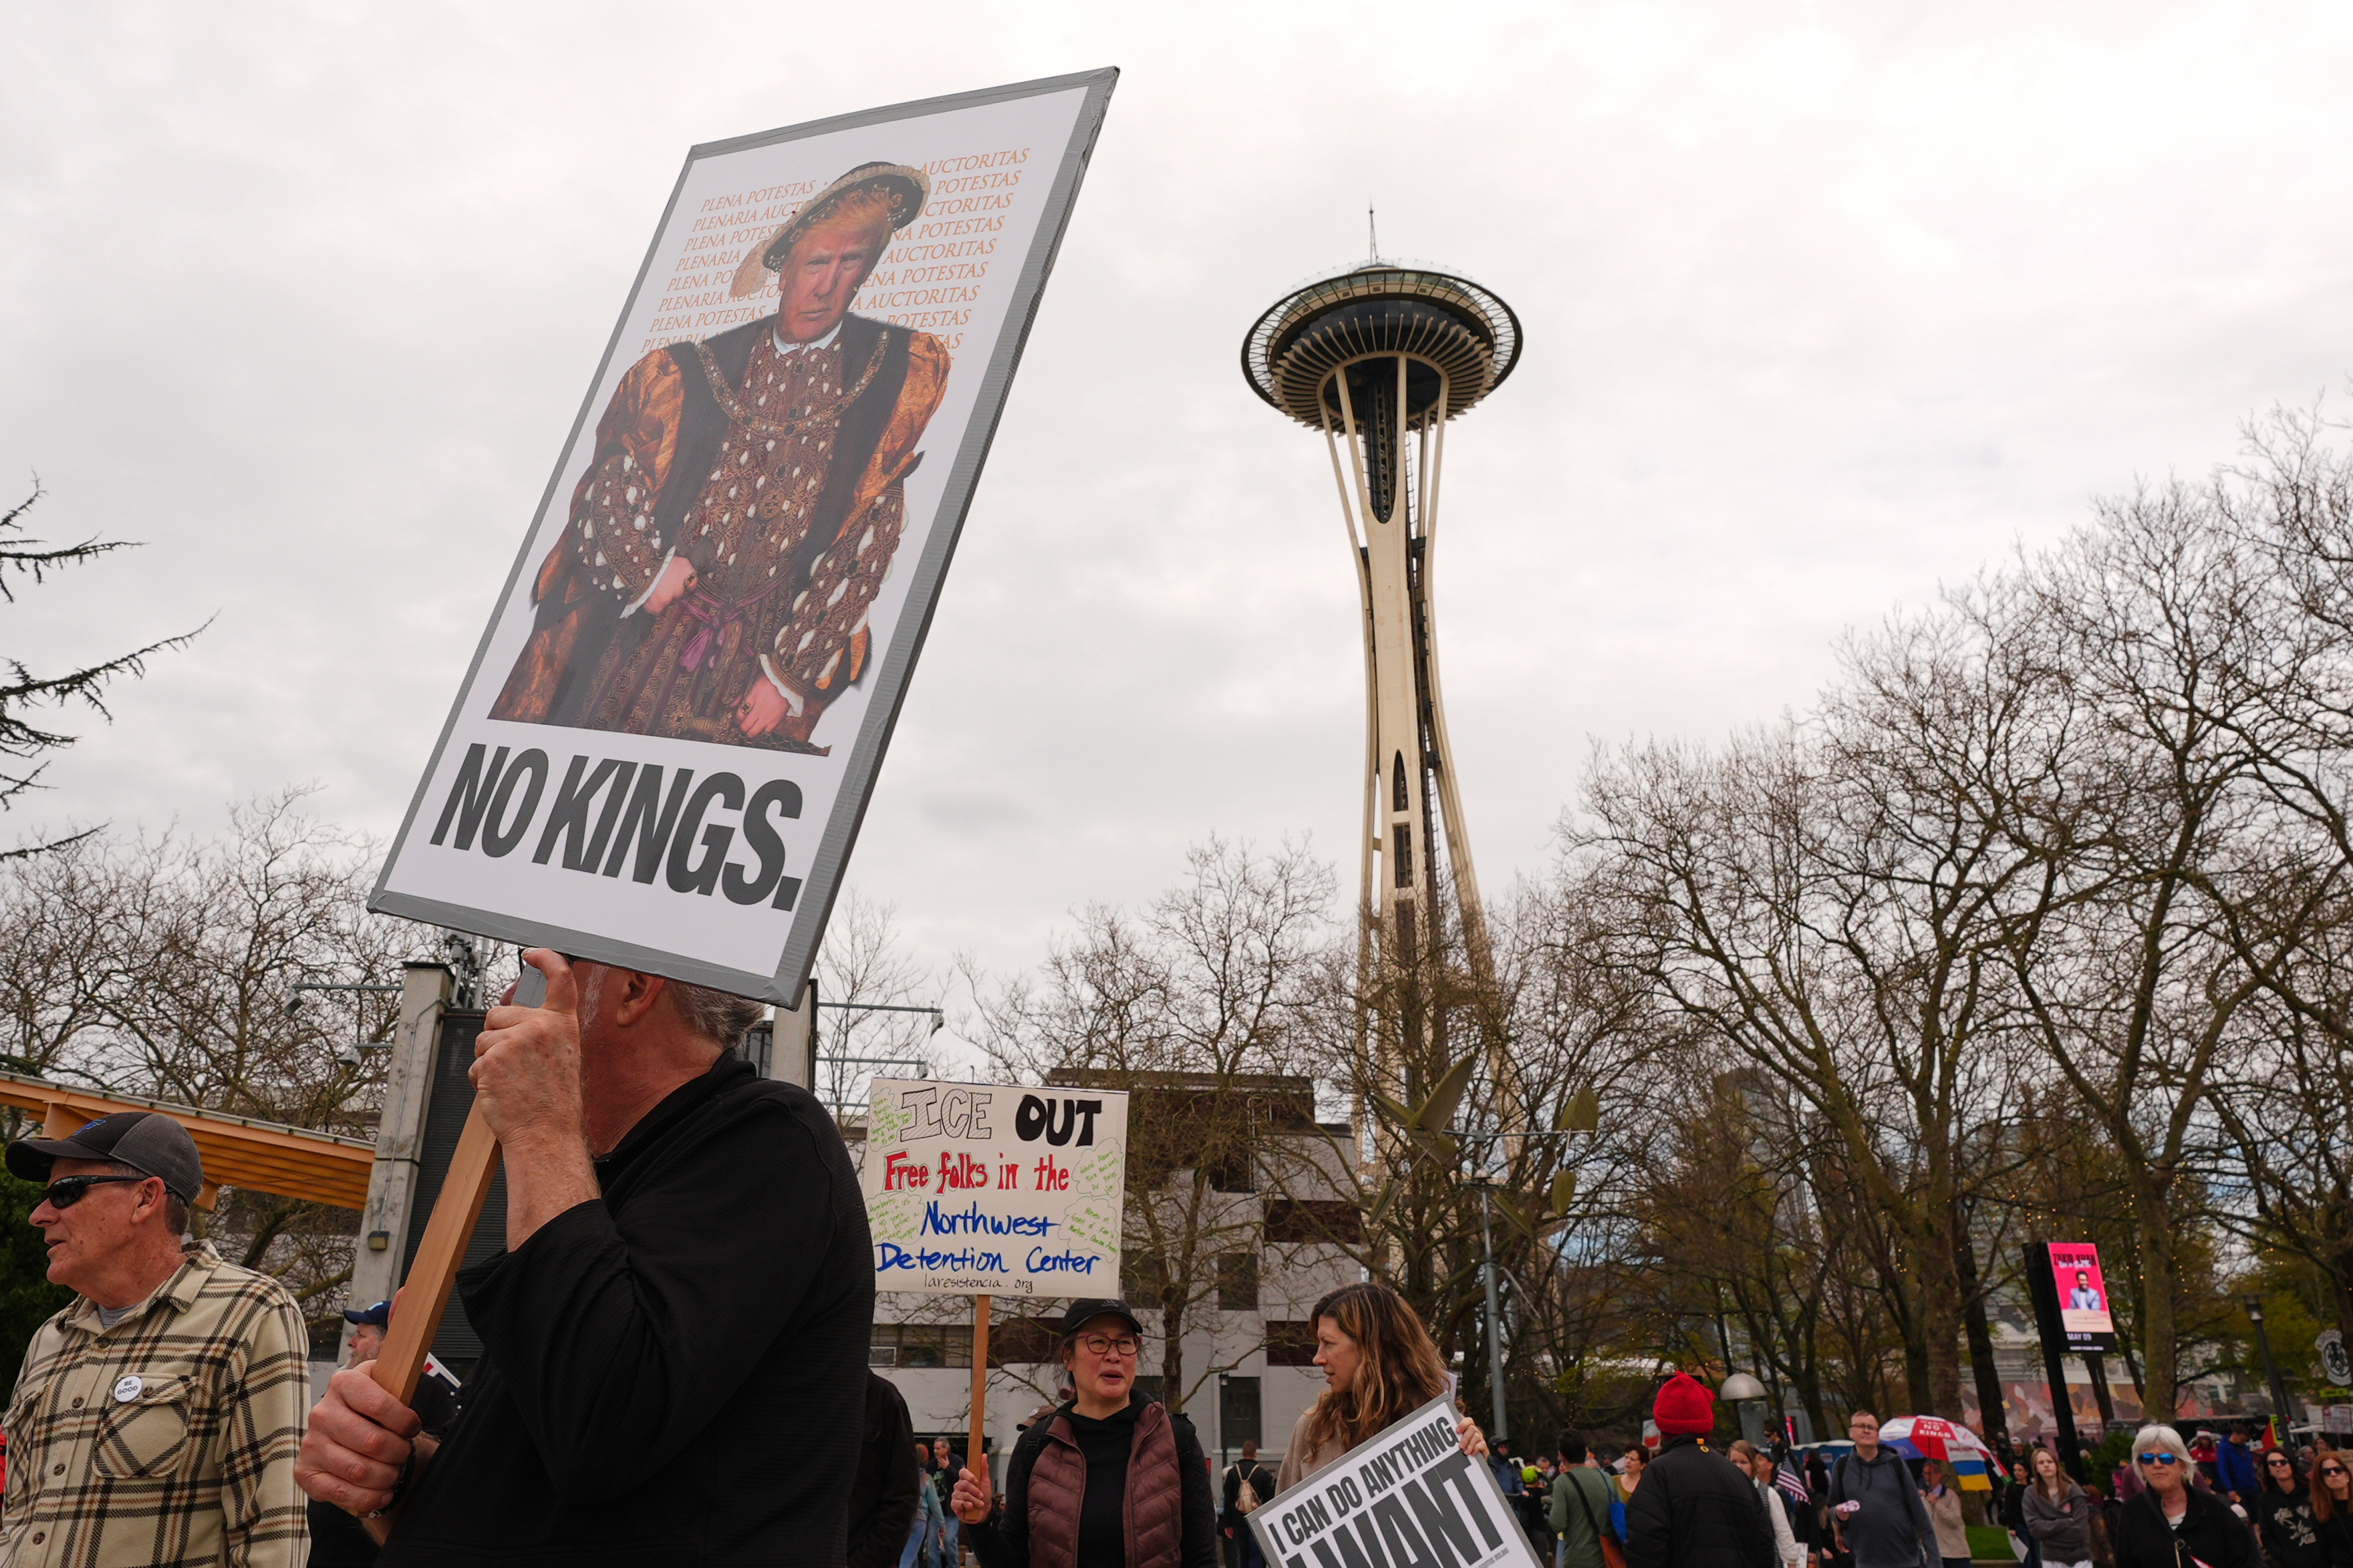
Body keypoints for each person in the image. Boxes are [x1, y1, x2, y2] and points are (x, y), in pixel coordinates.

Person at [295, 951, 873, 1565]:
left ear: (634, 989)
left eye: (542, 969)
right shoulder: (598, 1189)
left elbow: (603, 1423)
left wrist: (541, 1126)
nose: (510, 996)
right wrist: (390, 1470)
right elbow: (535, 1493)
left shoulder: (769, 1142)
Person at [492, 161, 953, 751]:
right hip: (649, 635)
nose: (827, 285)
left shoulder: (897, 369)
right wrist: (646, 570)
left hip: (766, 655)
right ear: (784, 266)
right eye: (816, 263)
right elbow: (614, 474)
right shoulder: (687, 367)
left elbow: (873, 525)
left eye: (850, 263)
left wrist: (787, 673)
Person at [1, 1110, 309, 1567]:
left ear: (146, 1198)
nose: (39, 1215)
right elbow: (18, 1517)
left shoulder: (250, 1312)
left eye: (64, 1193)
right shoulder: (50, 1337)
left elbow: (273, 1531)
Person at [951, 1299, 1218, 1568]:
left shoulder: (1176, 1440)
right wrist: (982, 1523)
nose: (1114, 1355)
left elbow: (1202, 1558)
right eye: (1099, 1342)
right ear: (1068, 1357)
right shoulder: (1035, 1445)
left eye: (1125, 1343)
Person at [1268, 1281, 1488, 1491]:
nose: (1318, 1358)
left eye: (1328, 1344)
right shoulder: (1312, 1429)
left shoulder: (1443, 1428)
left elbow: (1475, 1519)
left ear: (1371, 1348)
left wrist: (1478, 1463)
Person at [306, 1299, 464, 1568]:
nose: (351, 1342)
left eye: (361, 1335)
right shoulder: (344, 1390)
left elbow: (442, 1479)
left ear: (387, 1343)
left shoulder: (427, 1392)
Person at [1624, 1375, 1770, 1568]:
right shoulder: (1737, 1475)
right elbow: (1764, 1542)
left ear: (1663, 1427)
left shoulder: (1660, 1472)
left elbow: (1645, 1548)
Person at [2114, 1425, 2260, 1568]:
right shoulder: (2133, 1511)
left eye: (2166, 1458)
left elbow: (2248, 1560)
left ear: (2183, 1465)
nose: (2157, 1464)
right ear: (2140, 1467)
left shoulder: (2213, 1508)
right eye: (2147, 1458)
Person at [1828, 1412, 1937, 1568]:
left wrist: (1935, 1562)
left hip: (1905, 1560)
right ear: (1851, 1432)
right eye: (1861, 1426)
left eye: (1872, 1427)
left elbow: (1920, 1515)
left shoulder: (1895, 1464)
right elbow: (1833, 1509)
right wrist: (1838, 1520)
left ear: (1878, 1435)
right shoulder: (1842, 1467)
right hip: (1866, 1560)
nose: (1867, 1430)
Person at [850, 1374, 919, 1568]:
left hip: (861, 1554)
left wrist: (864, 1562)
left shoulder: (883, 1399)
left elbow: (903, 1496)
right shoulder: (797, 1393)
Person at [1732, 1440, 1804, 1568]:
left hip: (1768, 1562)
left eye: (1744, 1462)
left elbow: (1783, 1532)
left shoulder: (1769, 1494)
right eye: (1734, 1462)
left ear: (1753, 1465)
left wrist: (1792, 1562)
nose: (1739, 1467)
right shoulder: (1725, 1495)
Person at [1553, 1429, 1619, 1568]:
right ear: (1586, 1451)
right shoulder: (1606, 1478)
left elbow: (1557, 1524)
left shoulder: (1563, 1482)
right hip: (1608, 1557)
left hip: (1578, 1559)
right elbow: (1619, 1513)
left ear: (1562, 1456)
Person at [2023, 1446, 2096, 1568]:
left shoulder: (2074, 1491)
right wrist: (2064, 1523)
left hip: (2080, 1558)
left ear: (2056, 1465)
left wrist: (2048, 1536)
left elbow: (2080, 1532)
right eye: (2041, 1463)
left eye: (2050, 1462)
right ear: (2036, 1468)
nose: (2046, 1465)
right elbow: (2035, 1529)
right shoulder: (2030, 1494)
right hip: (2051, 1558)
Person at [2257, 1447, 2328, 1568]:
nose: (2279, 1466)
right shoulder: (2266, 1499)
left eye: (2283, 1462)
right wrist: (2279, 1555)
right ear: (2268, 1469)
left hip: (2322, 1558)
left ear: (2291, 1464)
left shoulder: (2311, 1490)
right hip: (2292, 1561)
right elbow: (2266, 1532)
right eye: (2273, 1463)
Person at [1220, 1441, 1276, 1568]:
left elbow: (1228, 1500)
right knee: (1257, 1555)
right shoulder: (1263, 1474)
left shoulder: (1233, 1473)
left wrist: (1228, 1524)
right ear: (1255, 1454)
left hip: (1238, 1519)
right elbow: (1269, 1499)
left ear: (1242, 1453)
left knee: (1243, 1555)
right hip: (1257, 1520)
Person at [907, 1444, 951, 1568]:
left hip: (904, 1519)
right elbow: (935, 1504)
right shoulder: (926, 1479)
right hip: (919, 1520)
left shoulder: (903, 1476)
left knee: (912, 1554)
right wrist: (942, 1524)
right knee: (908, 1559)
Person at [2309, 1451, 2353, 1568]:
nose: (2333, 1474)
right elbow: (2323, 1551)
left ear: (2347, 1475)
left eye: (2337, 1470)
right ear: (2322, 1480)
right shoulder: (2322, 1512)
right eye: (2326, 1472)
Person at [2006, 1459, 2045, 1568]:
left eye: (2020, 1470)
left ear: (2026, 1472)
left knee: (2036, 1555)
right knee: (2026, 1556)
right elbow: (2009, 1508)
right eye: (2015, 1470)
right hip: (2020, 1525)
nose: (2017, 1472)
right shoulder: (2012, 1488)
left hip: (2033, 1524)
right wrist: (2012, 1527)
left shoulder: (2033, 1488)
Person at [932, 1438, 964, 1566]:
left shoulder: (957, 1462)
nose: (935, 1451)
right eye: (934, 1448)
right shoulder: (932, 1465)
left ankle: (953, 1566)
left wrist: (948, 1468)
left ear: (946, 1449)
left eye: (938, 1448)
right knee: (932, 1545)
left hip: (951, 1511)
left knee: (949, 1540)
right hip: (935, 1511)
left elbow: (961, 1480)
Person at [2221, 1429, 2265, 1508]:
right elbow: (2223, 1470)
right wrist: (2230, 1489)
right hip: (2238, 1488)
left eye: (2245, 1440)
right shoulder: (2224, 1448)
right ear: (2235, 1435)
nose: (2243, 1442)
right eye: (2242, 1439)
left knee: (2259, 1509)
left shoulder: (2244, 1447)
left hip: (2252, 1485)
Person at [1616, 1448, 1649, 1549]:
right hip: (1616, 1536)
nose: (1628, 1461)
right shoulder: (1613, 1481)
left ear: (1643, 1465)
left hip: (1639, 1537)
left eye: (1633, 1459)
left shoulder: (1647, 1485)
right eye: (1626, 1457)